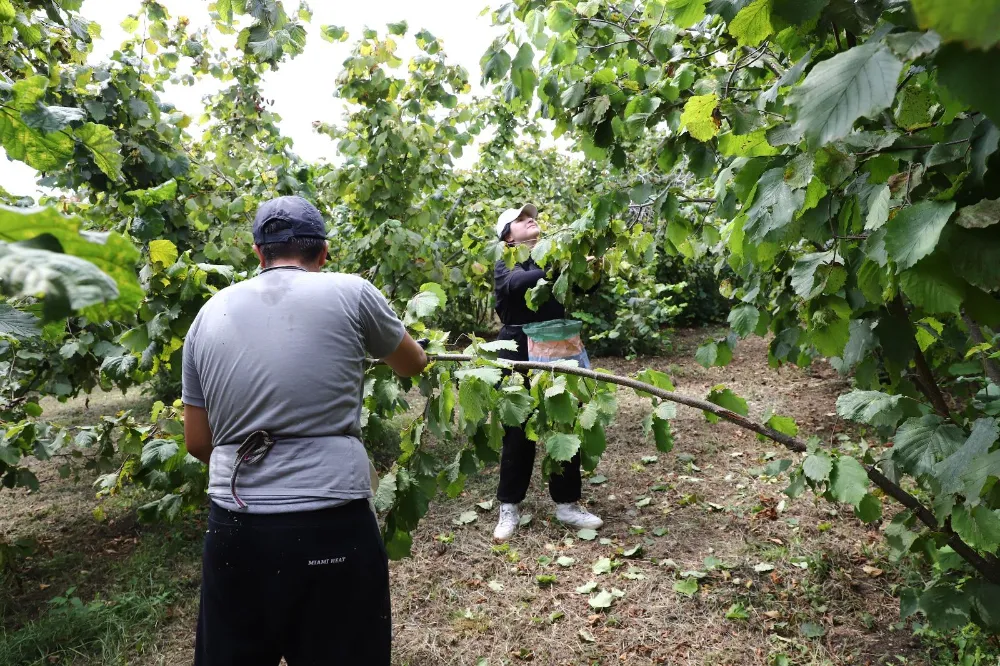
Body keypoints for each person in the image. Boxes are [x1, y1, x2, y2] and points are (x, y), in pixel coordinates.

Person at [181, 195, 428, 665]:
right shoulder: (352, 292)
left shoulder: (208, 314)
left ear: (258, 253)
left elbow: (198, 443)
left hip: (236, 528)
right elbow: (413, 363)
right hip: (333, 522)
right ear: (324, 253)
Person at [492, 203, 603, 541]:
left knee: (563, 422)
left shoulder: (556, 257)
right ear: (507, 235)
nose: (531, 220)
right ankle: (509, 505)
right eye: (522, 219)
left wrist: (592, 265)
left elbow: (584, 286)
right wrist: (557, 262)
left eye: (533, 217)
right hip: (518, 349)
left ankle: (567, 503)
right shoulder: (505, 262)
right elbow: (519, 283)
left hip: (557, 347)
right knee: (518, 429)